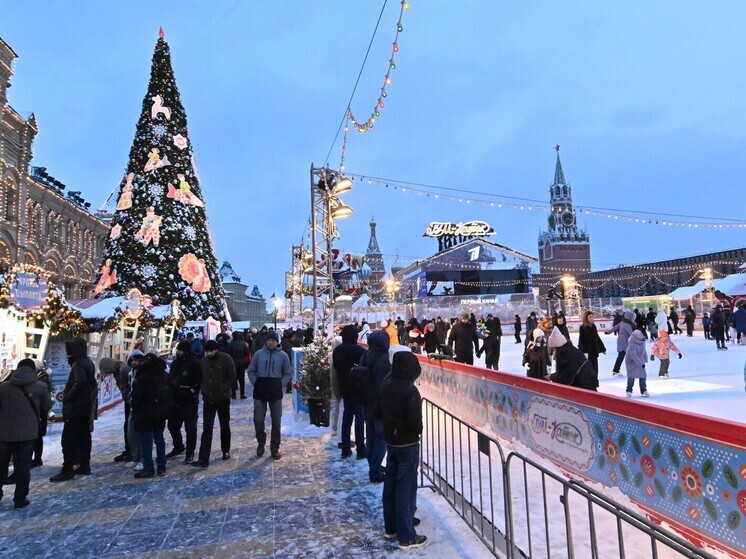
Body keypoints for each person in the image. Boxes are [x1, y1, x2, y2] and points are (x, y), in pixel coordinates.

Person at [374, 351, 427, 550]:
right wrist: (416, 430)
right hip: (408, 444)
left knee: (390, 484)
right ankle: (406, 536)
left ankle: (391, 527)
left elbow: (377, 412)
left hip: (392, 443)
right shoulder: (410, 391)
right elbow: (415, 422)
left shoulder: (386, 385)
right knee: (406, 487)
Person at [0, 361, 52, 508]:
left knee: (1, 465)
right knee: (23, 467)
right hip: (28, 433)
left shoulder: (3, 387)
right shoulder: (40, 386)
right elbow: (47, 406)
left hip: (4, 433)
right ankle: (20, 498)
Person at [50, 338, 96, 482]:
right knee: (84, 437)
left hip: (75, 409)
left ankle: (68, 469)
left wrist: (67, 396)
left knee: (68, 440)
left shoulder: (78, 364)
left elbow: (80, 382)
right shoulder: (88, 362)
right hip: (84, 407)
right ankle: (84, 464)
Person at [192, 340, 236, 468]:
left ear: (216, 350)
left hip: (223, 398)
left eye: (211, 351)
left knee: (224, 425)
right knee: (207, 429)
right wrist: (204, 390)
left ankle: (225, 450)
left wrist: (224, 389)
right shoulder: (203, 361)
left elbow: (232, 376)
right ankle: (203, 458)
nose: (209, 353)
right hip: (209, 399)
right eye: (207, 351)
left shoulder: (226, 359)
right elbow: (201, 377)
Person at [248, 331, 292, 460]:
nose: (270, 343)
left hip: (275, 392)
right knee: (258, 420)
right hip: (260, 391)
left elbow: (288, 373)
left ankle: (274, 448)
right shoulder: (258, 354)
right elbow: (251, 370)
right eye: (268, 340)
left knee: (276, 421)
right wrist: (256, 383)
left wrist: (280, 384)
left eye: (272, 340)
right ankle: (261, 442)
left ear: (277, 342)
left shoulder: (283, 356)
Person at [359, 330, 391, 483]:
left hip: (366, 402)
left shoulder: (365, 355)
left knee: (371, 435)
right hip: (379, 404)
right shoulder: (384, 359)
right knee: (382, 436)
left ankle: (373, 465)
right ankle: (375, 470)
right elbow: (383, 384)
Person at [130, 353, 169, 478]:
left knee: (147, 442)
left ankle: (148, 467)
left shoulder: (142, 377)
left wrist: (134, 406)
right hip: (160, 412)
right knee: (159, 439)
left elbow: (136, 398)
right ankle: (161, 466)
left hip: (145, 414)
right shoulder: (163, 375)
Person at [332, 325, 366, 460]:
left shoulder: (337, 351)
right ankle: (361, 449)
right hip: (358, 388)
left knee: (347, 416)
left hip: (344, 387)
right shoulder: (357, 350)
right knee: (359, 418)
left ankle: (345, 449)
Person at [166, 340, 202, 463]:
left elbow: (199, 380)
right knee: (172, 426)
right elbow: (170, 378)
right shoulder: (175, 363)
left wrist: (192, 392)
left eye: (180, 350)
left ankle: (190, 452)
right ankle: (178, 446)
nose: (178, 352)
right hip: (175, 400)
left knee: (190, 428)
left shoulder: (194, 363)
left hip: (189, 401)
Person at [99, 357, 131, 463]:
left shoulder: (123, 370)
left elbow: (130, 385)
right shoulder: (117, 370)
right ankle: (129, 450)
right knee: (127, 426)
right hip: (128, 400)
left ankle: (132, 451)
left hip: (131, 401)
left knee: (129, 426)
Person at [30, 359, 52, 467]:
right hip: (40, 413)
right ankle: (37, 459)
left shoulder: (41, 380)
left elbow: (44, 400)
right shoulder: (44, 378)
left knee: (37, 437)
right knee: (38, 437)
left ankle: (37, 459)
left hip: (39, 413)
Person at [577, 311, 605, 386]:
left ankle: (594, 384)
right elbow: (581, 340)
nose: (592, 318)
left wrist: (602, 348)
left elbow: (597, 338)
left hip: (594, 352)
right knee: (589, 369)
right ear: (586, 318)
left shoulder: (593, 326)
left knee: (595, 369)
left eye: (592, 317)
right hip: (587, 353)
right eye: (590, 317)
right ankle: (589, 385)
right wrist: (583, 351)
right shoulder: (583, 327)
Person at [605, 310, 635, 377]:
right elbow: (631, 334)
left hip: (621, 341)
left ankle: (616, 370)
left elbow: (615, 327)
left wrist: (609, 332)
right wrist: (639, 338)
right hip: (625, 342)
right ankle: (617, 370)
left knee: (622, 355)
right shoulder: (627, 324)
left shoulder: (623, 322)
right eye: (632, 317)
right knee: (625, 355)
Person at [625, 330, 649, 397]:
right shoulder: (632, 345)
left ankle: (643, 390)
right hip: (631, 363)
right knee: (631, 377)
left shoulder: (642, 342)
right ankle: (629, 390)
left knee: (643, 376)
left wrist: (645, 358)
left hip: (640, 361)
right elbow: (633, 356)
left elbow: (644, 351)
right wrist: (641, 364)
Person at [227, 331, 250, 399]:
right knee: (242, 380)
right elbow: (247, 352)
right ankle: (242, 394)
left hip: (233, 364)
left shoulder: (230, 344)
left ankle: (233, 394)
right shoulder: (243, 344)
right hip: (241, 363)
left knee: (233, 379)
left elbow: (227, 353)